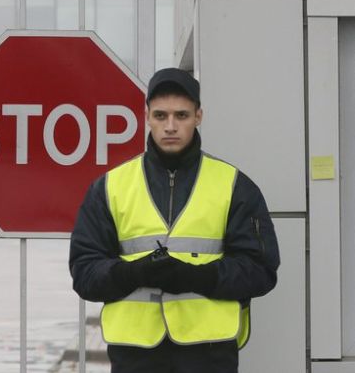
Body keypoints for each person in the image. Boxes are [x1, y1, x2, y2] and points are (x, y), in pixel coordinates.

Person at [69, 67, 280, 373]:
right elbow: (84, 272)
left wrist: (194, 277)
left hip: (209, 355)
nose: (170, 126)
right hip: (135, 356)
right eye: (161, 116)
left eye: (181, 116)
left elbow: (261, 270)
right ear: (146, 117)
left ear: (198, 116)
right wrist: (134, 273)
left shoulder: (234, 185)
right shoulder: (110, 188)